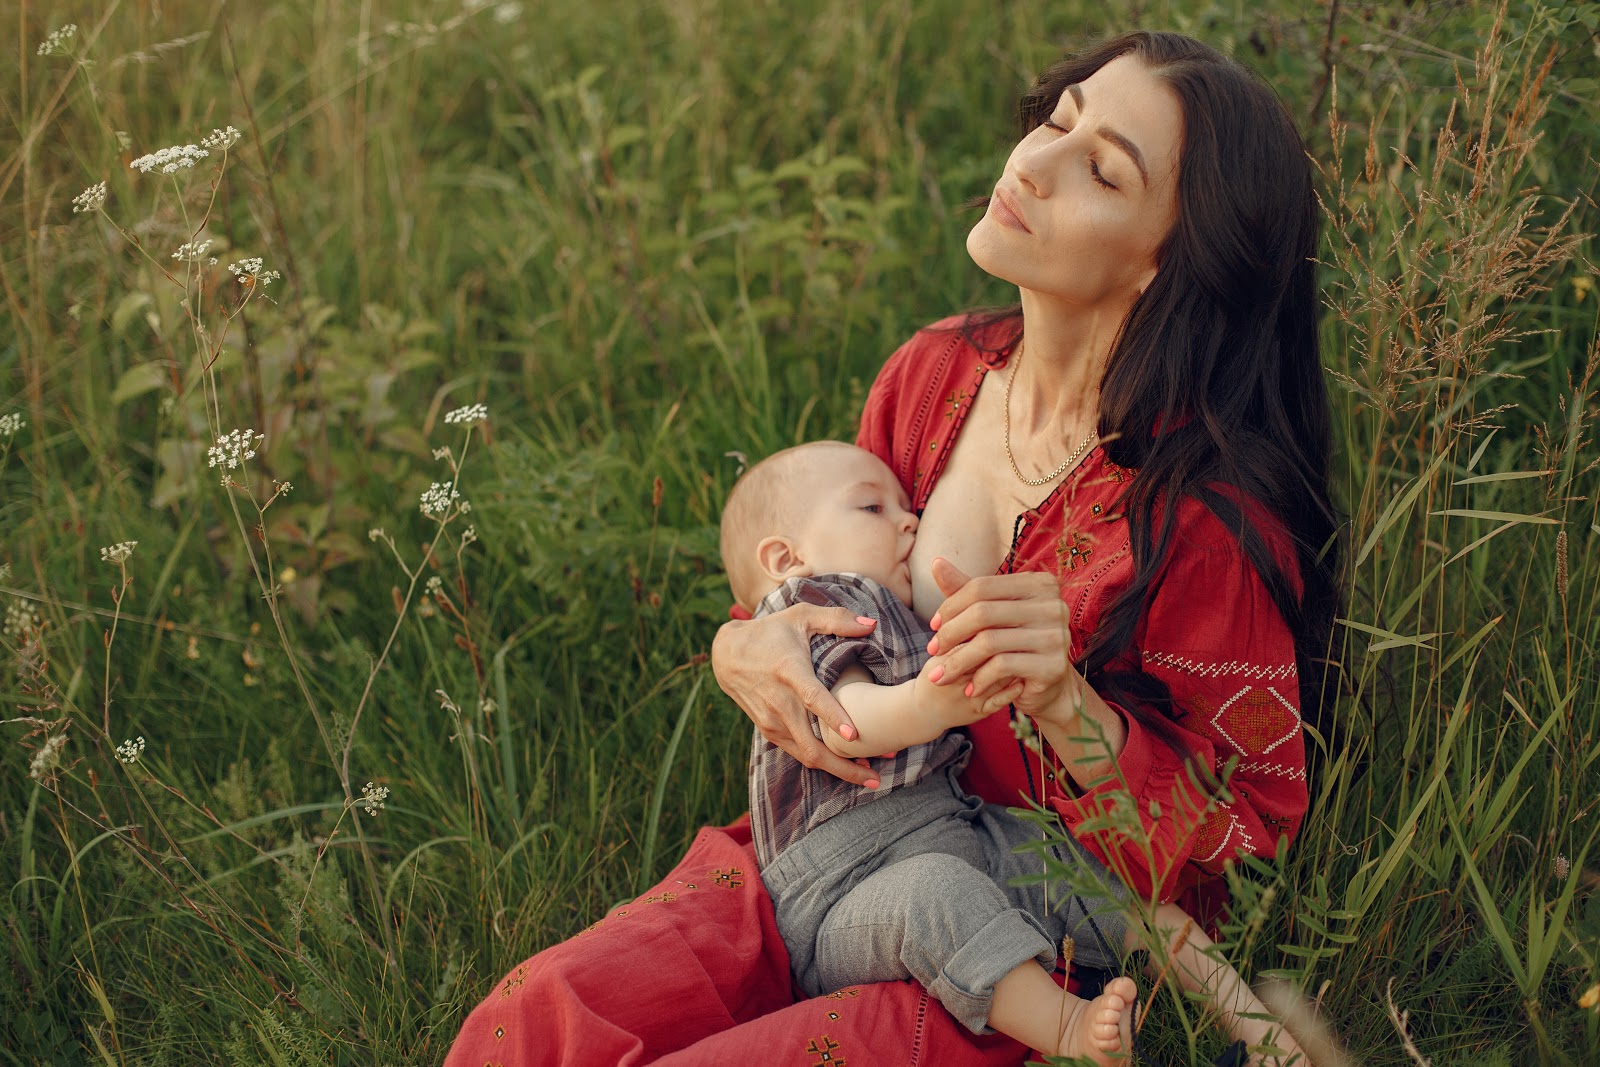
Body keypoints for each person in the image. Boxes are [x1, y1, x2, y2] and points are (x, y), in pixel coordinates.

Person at [445, 28, 1338, 1066]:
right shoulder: (932, 375)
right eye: (1057, 120)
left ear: (1168, 264)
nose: (1032, 163)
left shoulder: (1197, 515)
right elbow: (816, 582)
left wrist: (1066, 704)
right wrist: (746, 646)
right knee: (529, 1023)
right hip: (828, 852)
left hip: (1018, 941)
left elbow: (1244, 826)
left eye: (1099, 168)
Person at [722, 438, 1306, 1064]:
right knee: (932, 896)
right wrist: (934, 705)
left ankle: (1265, 1035)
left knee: (1101, 875)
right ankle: (1073, 1031)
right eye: (872, 508)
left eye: (904, 504)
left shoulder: (891, 608)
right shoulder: (808, 607)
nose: (908, 519)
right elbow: (846, 720)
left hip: (952, 825)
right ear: (786, 556)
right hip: (842, 888)